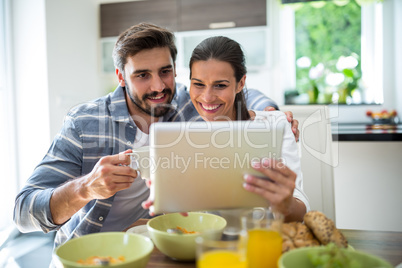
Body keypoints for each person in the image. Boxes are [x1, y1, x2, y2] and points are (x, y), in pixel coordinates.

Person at [13, 23, 300, 249]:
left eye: (165, 72)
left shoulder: (190, 104)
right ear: (121, 76)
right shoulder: (84, 122)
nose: (158, 86)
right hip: (91, 253)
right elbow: (24, 213)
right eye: (142, 75)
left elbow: (229, 88)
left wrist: (270, 111)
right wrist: (87, 188)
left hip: (163, 248)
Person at [144, 36, 309, 221]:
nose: (207, 97)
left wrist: (285, 205)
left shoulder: (274, 125)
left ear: (240, 83)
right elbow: (185, 219)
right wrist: (168, 201)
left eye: (220, 85)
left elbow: (300, 211)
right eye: (198, 84)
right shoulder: (178, 134)